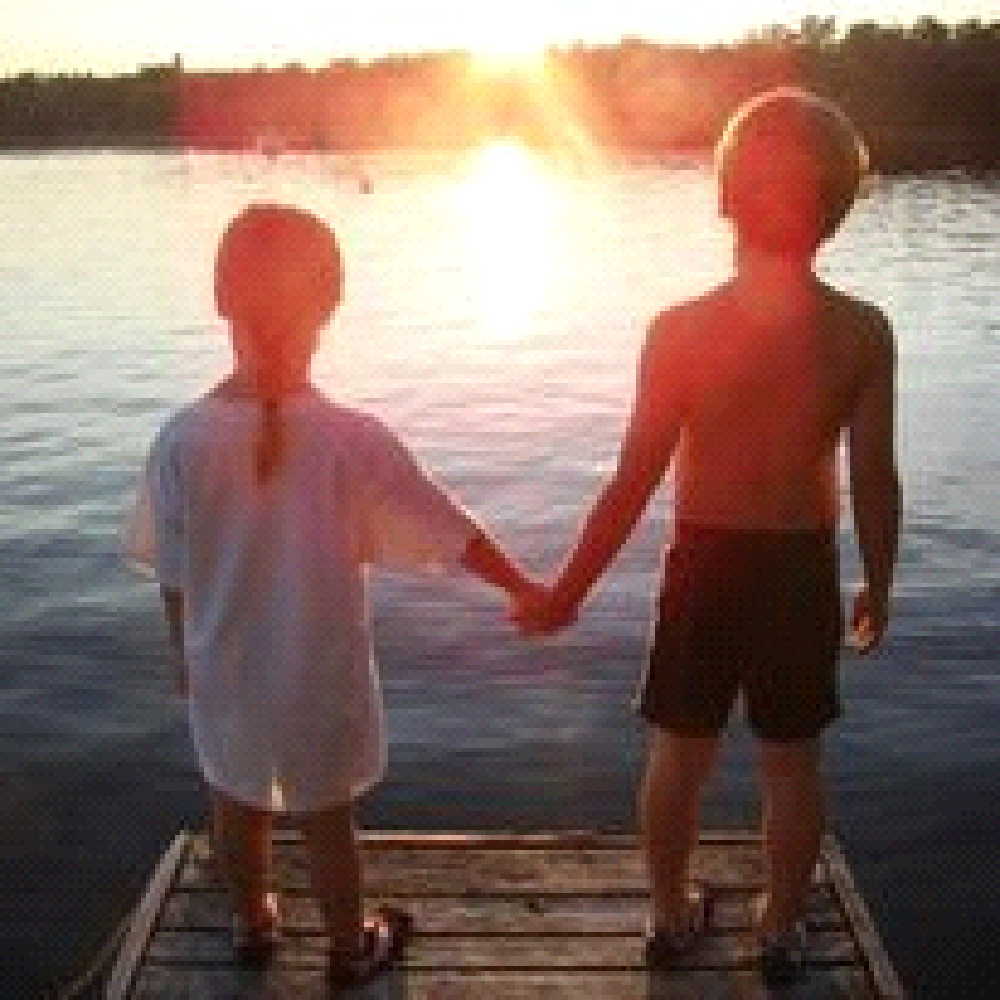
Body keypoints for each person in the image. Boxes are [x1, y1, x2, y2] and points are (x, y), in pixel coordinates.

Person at [514, 88, 901, 984]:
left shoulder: (679, 331)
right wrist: (879, 583)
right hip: (799, 568)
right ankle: (779, 930)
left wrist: (567, 591)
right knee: (792, 765)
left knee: (679, 754)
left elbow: (630, 483)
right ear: (838, 207)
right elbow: (876, 478)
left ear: (726, 194)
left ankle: (667, 913)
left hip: (705, 564)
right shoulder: (861, 332)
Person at [124, 203, 540, 987]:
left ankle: (251, 924)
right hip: (317, 676)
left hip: (225, 670)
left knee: (235, 798)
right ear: (329, 305)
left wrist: (183, 655)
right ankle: (351, 949)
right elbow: (447, 529)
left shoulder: (180, 439)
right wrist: (525, 588)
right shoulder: (353, 440)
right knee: (326, 817)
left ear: (220, 298)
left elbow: (174, 574)